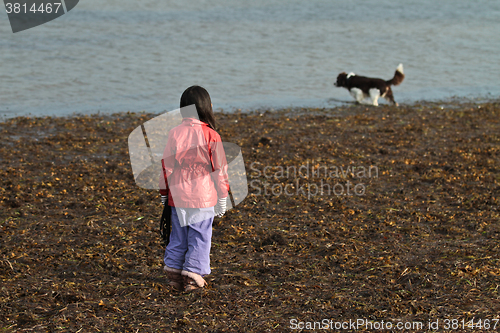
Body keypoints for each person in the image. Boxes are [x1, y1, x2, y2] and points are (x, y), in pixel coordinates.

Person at [159, 85, 229, 292]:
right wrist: (223, 197)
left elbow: (166, 167)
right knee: (200, 235)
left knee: (178, 235)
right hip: (202, 197)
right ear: (207, 107)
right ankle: (192, 275)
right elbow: (220, 170)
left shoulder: (175, 133)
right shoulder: (211, 135)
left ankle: (173, 272)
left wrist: (164, 194)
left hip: (178, 196)